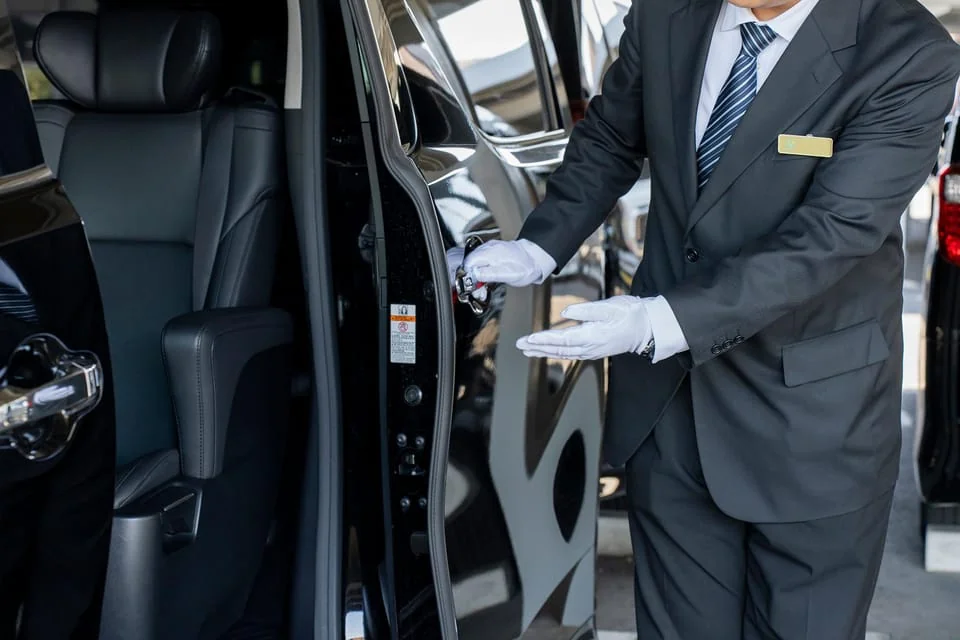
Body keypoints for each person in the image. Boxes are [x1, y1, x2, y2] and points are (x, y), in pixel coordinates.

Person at [450, 0, 960, 637]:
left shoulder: (906, 50)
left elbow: (831, 234)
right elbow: (611, 137)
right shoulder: (666, 13)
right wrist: (538, 246)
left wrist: (659, 321)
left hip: (810, 422)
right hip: (671, 410)